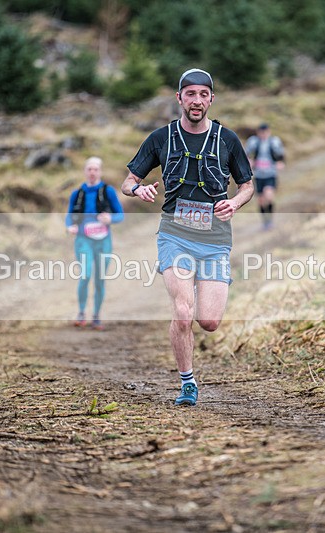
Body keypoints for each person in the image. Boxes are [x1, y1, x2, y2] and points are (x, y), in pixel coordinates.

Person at [121, 68, 254, 406]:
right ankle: (188, 384)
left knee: (208, 321)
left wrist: (235, 202)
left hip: (215, 238)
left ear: (211, 99)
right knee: (183, 311)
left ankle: (209, 283)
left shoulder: (227, 139)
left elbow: (248, 185)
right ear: (179, 98)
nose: (197, 100)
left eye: (203, 95)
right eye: (190, 94)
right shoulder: (160, 138)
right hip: (174, 235)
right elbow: (127, 182)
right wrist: (139, 189)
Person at [66, 156, 124, 330]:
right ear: (85, 171)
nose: (92, 172)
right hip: (83, 239)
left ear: (100, 171)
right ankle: (81, 313)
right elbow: (69, 216)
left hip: (103, 241)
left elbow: (120, 215)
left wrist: (110, 218)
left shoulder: (108, 192)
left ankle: (96, 316)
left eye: (95, 169)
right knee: (85, 274)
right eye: (89, 169)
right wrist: (70, 227)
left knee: (100, 279)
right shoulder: (77, 194)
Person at [245, 123, 285, 230]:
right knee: (261, 200)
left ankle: (270, 220)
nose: (263, 134)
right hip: (258, 175)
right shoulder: (253, 142)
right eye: (261, 132)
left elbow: (281, 155)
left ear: (269, 132)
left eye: (265, 132)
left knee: (269, 195)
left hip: (270, 174)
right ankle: (265, 222)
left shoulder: (274, 141)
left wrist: (280, 162)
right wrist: (249, 161)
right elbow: (245, 154)